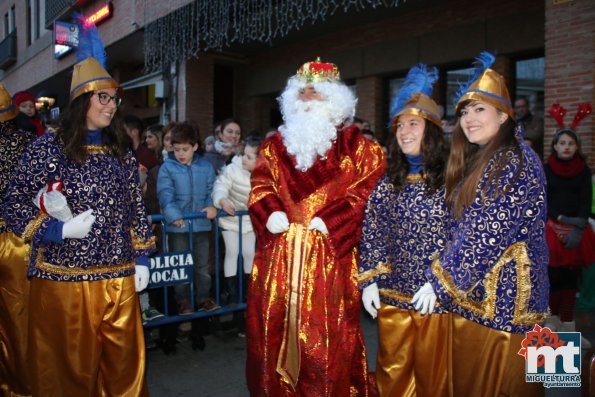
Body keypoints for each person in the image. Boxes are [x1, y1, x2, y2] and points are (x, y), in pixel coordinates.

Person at [3, 18, 156, 396]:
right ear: (82, 101)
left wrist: (143, 259)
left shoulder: (120, 152)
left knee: (125, 371)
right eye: (103, 97)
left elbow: (135, 207)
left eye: (114, 98)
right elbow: (13, 201)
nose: (111, 105)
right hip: (64, 279)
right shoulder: (47, 148)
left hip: (119, 278)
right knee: (70, 372)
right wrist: (55, 230)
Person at [246, 58, 385, 396]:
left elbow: (367, 192)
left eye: (316, 93)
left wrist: (333, 219)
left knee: (327, 340)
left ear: (333, 100)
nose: (307, 99)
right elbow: (261, 185)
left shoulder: (360, 148)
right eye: (302, 92)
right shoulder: (273, 147)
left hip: (330, 262)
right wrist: (270, 211)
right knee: (272, 334)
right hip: (278, 261)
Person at [417, 52, 549, 396]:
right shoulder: (486, 158)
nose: (468, 119)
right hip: (479, 304)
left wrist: (440, 282)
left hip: (508, 312)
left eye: (479, 110)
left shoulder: (516, 159)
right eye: (464, 111)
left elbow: (487, 231)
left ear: (504, 115)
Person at [358, 64, 451, 397]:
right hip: (394, 296)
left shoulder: (453, 181)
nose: (405, 131)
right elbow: (373, 231)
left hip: (436, 301)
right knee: (392, 372)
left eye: (414, 124)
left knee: (433, 375)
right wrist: (369, 281)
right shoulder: (388, 181)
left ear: (432, 131)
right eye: (400, 125)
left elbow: (463, 236)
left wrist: (441, 280)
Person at [543, 104, 594, 344]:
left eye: (570, 144)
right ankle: (551, 330)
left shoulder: (583, 171)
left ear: (576, 147)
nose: (566, 147)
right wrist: (561, 219)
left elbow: (586, 200)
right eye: (562, 143)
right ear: (554, 145)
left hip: (577, 230)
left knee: (571, 282)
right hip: (551, 229)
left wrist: (580, 225)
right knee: (552, 279)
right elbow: (543, 201)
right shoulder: (545, 169)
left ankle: (568, 329)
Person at [157, 122, 220, 314]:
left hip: (201, 225)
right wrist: (173, 215)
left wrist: (212, 205)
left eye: (185, 149)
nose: (181, 154)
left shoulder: (206, 166)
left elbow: (212, 190)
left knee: (202, 266)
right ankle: (182, 301)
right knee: (180, 265)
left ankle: (203, 298)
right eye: (177, 150)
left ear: (195, 146)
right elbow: (165, 194)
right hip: (178, 226)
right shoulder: (167, 168)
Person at [0, 82, 37, 397]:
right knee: (20, 317)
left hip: (15, 240)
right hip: (17, 242)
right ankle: (23, 385)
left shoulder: (29, 143)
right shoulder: (29, 143)